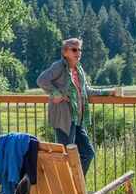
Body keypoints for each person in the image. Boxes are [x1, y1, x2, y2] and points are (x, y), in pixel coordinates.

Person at [37, 38, 115, 176]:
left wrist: (109, 92)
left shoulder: (79, 69)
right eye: (74, 49)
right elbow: (41, 80)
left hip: (78, 119)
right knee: (65, 156)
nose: (78, 52)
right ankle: (66, 193)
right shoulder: (59, 66)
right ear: (65, 52)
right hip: (64, 118)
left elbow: (87, 91)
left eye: (79, 50)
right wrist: (57, 94)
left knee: (87, 153)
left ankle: (76, 187)